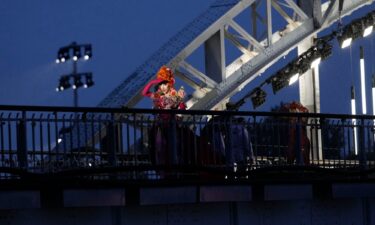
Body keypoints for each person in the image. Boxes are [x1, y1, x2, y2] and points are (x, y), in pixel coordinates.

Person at [142, 66, 186, 166]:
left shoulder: (174, 94)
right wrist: (153, 82)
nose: (162, 87)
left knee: (173, 145)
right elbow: (144, 92)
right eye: (160, 84)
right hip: (160, 124)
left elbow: (182, 106)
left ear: (169, 84)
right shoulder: (158, 95)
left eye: (164, 84)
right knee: (158, 145)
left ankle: (174, 164)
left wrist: (178, 109)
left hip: (171, 124)